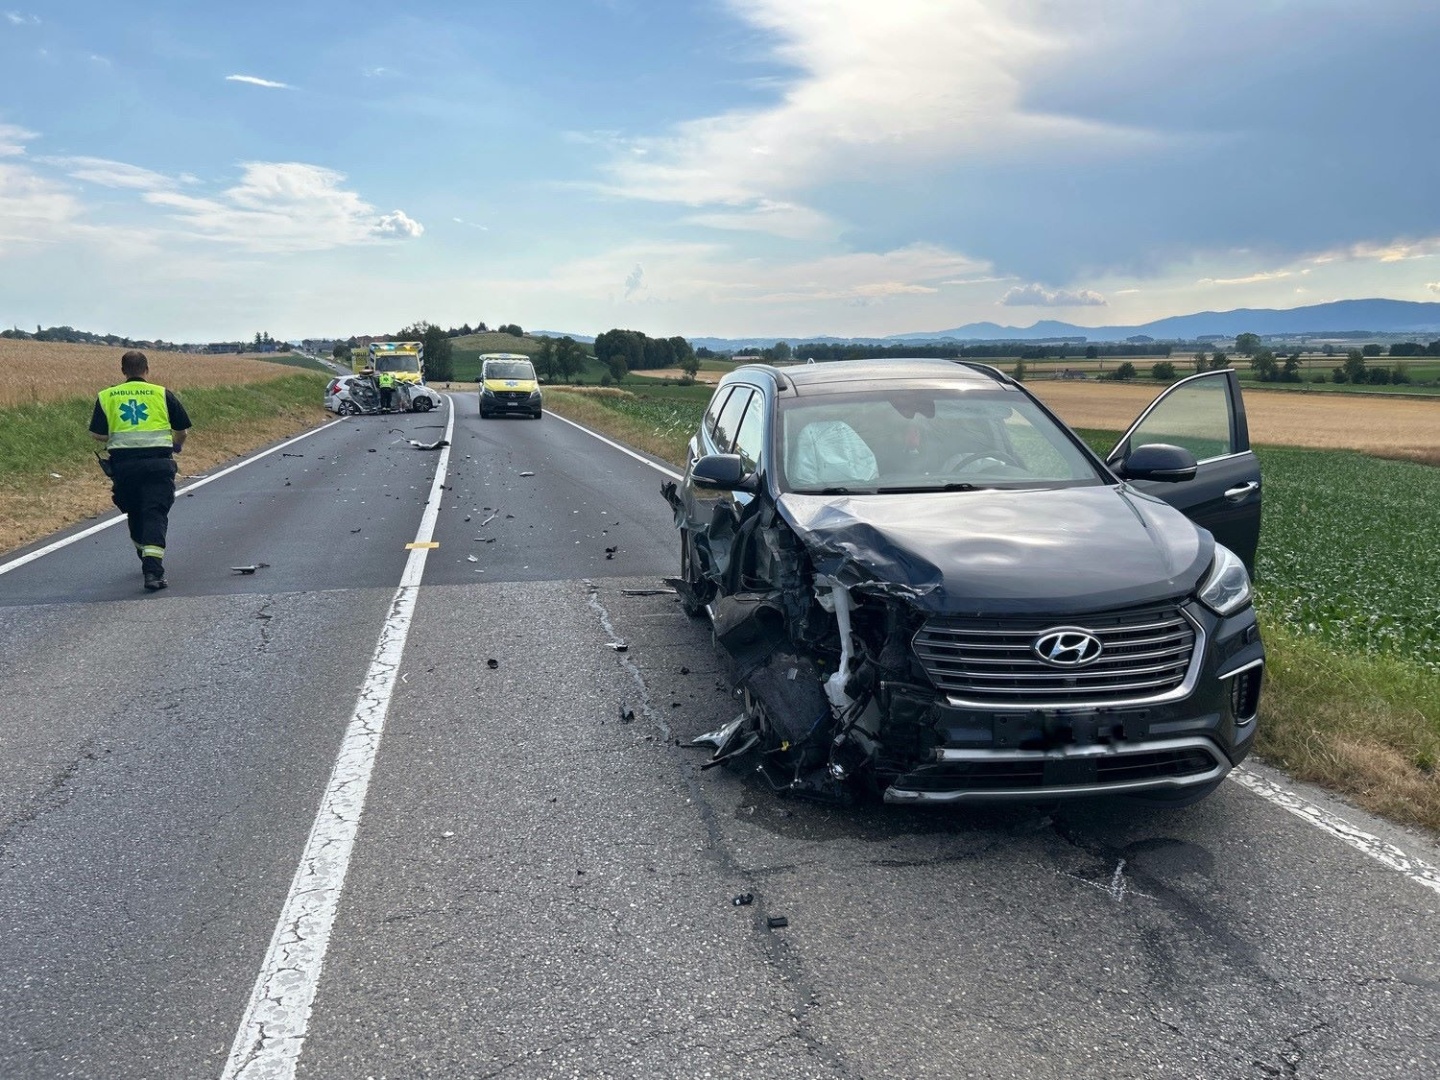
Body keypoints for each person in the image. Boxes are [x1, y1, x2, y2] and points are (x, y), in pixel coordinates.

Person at [89, 350, 192, 591]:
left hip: (124, 467)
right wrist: (176, 446)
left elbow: (97, 434)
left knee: (135, 512)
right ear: (147, 369)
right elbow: (182, 430)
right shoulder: (161, 393)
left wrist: (117, 434)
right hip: (158, 464)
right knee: (155, 513)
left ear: (123, 371)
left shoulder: (107, 396)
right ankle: (153, 571)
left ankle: (146, 555)